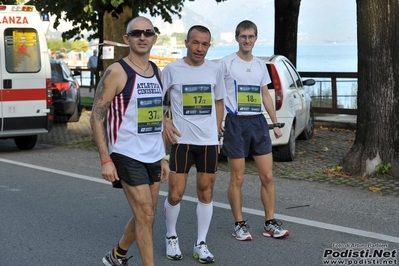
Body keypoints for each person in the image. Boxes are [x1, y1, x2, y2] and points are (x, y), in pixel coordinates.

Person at [90, 16, 169, 266]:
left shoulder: (157, 71)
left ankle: (117, 255)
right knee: (145, 214)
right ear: (127, 39)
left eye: (148, 33)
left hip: (153, 154)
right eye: (136, 34)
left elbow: (157, 116)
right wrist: (106, 159)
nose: (142, 37)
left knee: (148, 214)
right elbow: (96, 116)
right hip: (126, 154)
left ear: (155, 38)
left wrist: (163, 156)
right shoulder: (117, 71)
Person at [218, 20, 290, 241]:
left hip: (258, 122)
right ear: (237, 38)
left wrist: (275, 123)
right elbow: (218, 95)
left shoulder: (260, 65)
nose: (247, 40)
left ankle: (270, 223)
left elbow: (265, 94)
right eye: (243, 36)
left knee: (267, 176)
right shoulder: (226, 63)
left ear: (256, 38)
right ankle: (239, 224)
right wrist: (218, 121)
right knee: (237, 178)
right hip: (236, 123)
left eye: (250, 36)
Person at [162, 25, 226, 264]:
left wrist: (217, 131)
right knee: (176, 194)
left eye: (205, 44)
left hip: (208, 143)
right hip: (182, 142)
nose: (199, 48)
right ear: (186, 42)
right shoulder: (172, 70)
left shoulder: (215, 70)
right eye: (195, 43)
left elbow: (219, 101)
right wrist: (164, 121)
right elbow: (153, 99)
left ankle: (201, 243)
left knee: (206, 193)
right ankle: (171, 236)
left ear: (209, 46)